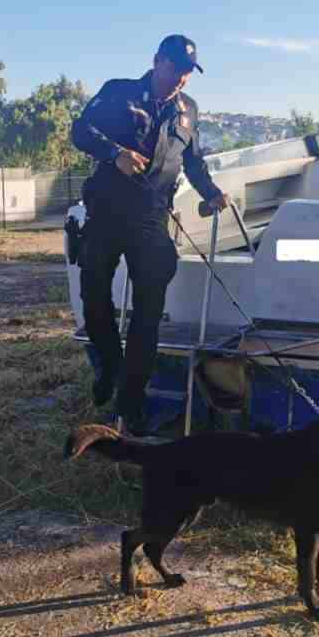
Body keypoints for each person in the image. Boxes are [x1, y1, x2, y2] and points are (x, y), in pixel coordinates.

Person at [71, 35, 228, 434]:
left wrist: (211, 193)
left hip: (151, 218)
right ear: (157, 61)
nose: (182, 79)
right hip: (106, 211)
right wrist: (115, 154)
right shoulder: (119, 93)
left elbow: (193, 162)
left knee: (147, 316)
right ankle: (108, 365)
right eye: (176, 69)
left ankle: (132, 399)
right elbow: (81, 131)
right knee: (93, 299)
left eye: (188, 73)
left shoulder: (187, 111)